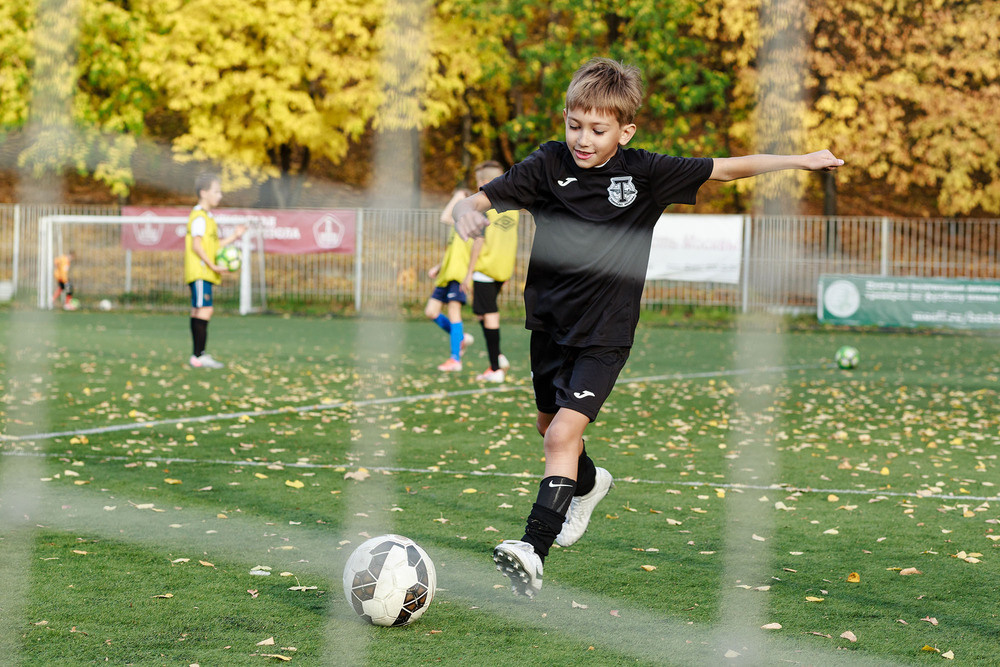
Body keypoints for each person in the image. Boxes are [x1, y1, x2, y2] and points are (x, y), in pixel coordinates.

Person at [453, 57, 844, 598]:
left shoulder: (645, 173)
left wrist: (801, 160)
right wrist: (466, 212)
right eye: (574, 125)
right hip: (547, 325)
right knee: (549, 429)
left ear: (624, 130)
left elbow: (726, 167)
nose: (582, 139)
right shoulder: (546, 165)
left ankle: (531, 549)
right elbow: (484, 199)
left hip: (605, 333)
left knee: (564, 434)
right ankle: (588, 486)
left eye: (597, 129)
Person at [185, 172, 245, 369]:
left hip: (204, 272)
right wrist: (212, 266)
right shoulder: (200, 217)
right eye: (216, 191)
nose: (220, 196)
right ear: (204, 193)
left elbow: (213, 245)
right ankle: (198, 356)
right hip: (201, 271)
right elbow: (196, 245)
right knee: (205, 309)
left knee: (199, 310)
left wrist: (235, 236)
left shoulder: (208, 217)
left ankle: (198, 355)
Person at [467, 160, 518, 383]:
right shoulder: (513, 204)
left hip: (485, 268)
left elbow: (478, 241)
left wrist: (468, 272)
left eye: (479, 181)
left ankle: (495, 368)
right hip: (502, 268)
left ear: (486, 182)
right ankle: (497, 356)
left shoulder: (486, 205)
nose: (477, 185)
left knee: (489, 314)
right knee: (481, 311)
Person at [425, 190, 475, 371]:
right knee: (431, 311)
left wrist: (460, 196)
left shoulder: (471, 224)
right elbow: (452, 250)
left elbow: (445, 216)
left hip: (459, 276)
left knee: (454, 312)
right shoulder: (457, 225)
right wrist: (439, 267)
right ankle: (460, 338)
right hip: (446, 275)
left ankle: (455, 359)